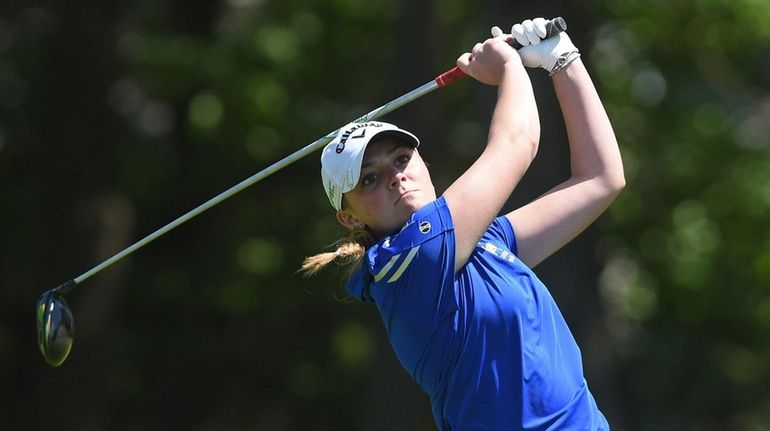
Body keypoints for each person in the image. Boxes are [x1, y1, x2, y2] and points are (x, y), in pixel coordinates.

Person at [302, 17, 624, 430]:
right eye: (369, 179)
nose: (395, 176)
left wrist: (563, 59)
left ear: (421, 161)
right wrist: (508, 66)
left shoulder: (484, 243)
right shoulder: (407, 265)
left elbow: (600, 180)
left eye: (401, 159)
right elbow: (517, 142)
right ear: (349, 218)